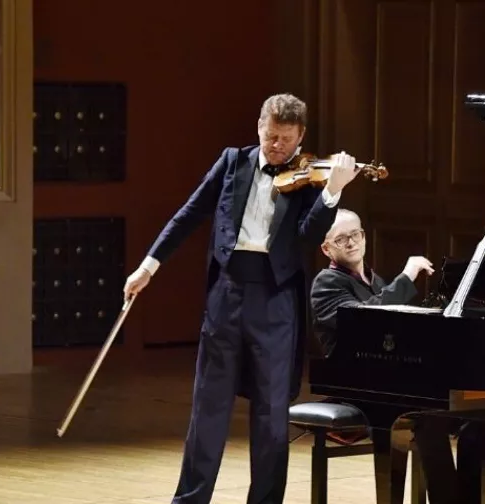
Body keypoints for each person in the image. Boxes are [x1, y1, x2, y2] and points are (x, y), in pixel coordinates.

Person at [122, 93, 361, 504]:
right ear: (259, 127)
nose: (276, 146)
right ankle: (190, 499)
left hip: (275, 300)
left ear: (300, 136)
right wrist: (149, 266)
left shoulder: (309, 179)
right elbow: (189, 214)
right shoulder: (232, 162)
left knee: (270, 414)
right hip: (227, 295)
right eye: (271, 137)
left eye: (285, 139)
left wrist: (331, 195)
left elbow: (306, 236)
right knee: (208, 408)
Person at [309, 208, 485, 504]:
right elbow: (365, 320)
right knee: (427, 418)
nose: (352, 242)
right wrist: (406, 278)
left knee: (476, 419)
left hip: (386, 380)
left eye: (356, 234)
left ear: (365, 237)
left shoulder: (375, 281)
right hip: (353, 385)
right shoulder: (326, 283)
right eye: (342, 239)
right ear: (327, 248)